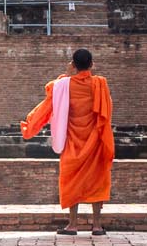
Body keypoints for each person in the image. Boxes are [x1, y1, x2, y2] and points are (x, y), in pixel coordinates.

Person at [20, 48, 115, 235]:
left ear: (72, 64)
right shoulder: (99, 84)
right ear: (92, 64)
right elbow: (107, 112)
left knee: (71, 180)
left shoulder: (62, 85)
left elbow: (46, 107)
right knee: (97, 180)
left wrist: (30, 125)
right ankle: (97, 225)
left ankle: (72, 225)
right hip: (95, 141)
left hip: (72, 141)